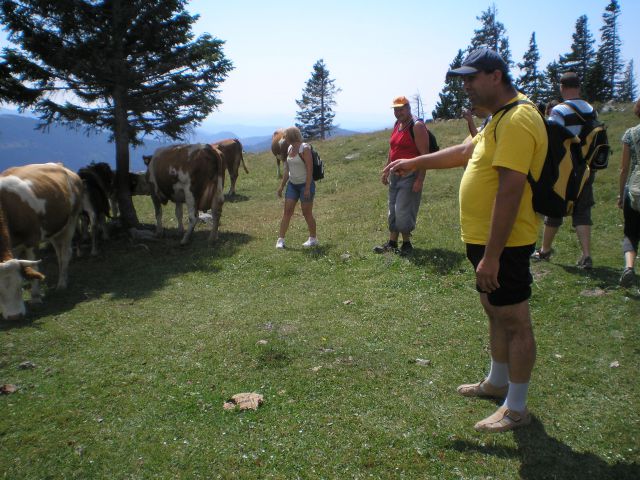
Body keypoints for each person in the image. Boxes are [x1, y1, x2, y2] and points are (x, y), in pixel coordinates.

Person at [384, 48, 546, 433]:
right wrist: (413, 162)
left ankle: (517, 407)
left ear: (495, 76)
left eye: (470, 79)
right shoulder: (497, 119)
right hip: (484, 240)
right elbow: (466, 152)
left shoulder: (520, 118)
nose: (466, 87)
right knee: (493, 309)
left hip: (504, 242)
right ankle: (497, 381)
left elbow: (510, 190)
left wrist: (491, 256)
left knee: (515, 320)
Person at [531, 72, 597, 269]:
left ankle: (544, 250)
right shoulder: (590, 109)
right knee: (582, 209)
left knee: (556, 204)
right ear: (578, 86)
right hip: (587, 167)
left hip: (565, 167)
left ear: (562, 87)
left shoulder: (559, 110)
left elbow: (553, 139)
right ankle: (586, 255)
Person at [374, 96, 430, 256]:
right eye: (396, 110)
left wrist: (420, 179)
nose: (398, 112)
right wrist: (386, 169)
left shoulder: (417, 126)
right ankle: (392, 242)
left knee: (403, 210)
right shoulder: (397, 124)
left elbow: (424, 155)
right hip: (395, 175)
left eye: (401, 109)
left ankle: (406, 244)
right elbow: (392, 149)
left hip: (410, 174)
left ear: (408, 108)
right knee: (392, 208)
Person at [275, 126, 317, 249]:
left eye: (285, 136)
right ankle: (280, 240)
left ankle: (313, 238)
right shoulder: (289, 148)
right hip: (292, 185)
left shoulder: (305, 148)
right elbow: (287, 169)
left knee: (306, 213)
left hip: (305, 185)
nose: (283, 138)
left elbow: (310, 169)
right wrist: (282, 186)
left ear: (291, 136)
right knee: (287, 212)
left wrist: (308, 188)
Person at [618, 97, 640, 287]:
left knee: (631, 232)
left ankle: (629, 267)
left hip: (634, 190)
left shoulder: (630, 134)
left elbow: (624, 169)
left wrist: (620, 195)